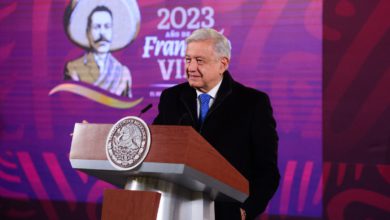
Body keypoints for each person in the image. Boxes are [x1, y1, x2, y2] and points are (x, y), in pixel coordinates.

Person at [153, 28, 280, 219]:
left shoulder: (253, 103)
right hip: (175, 208)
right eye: (188, 60)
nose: (191, 68)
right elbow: (156, 147)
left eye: (199, 61)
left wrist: (247, 210)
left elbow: (267, 169)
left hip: (225, 212)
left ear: (223, 64)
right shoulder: (171, 97)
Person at [64, 0, 140, 98]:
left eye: (107, 27)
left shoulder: (122, 73)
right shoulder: (73, 69)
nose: (102, 33)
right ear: (87, 32)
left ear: (113, 31)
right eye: (97, 27)